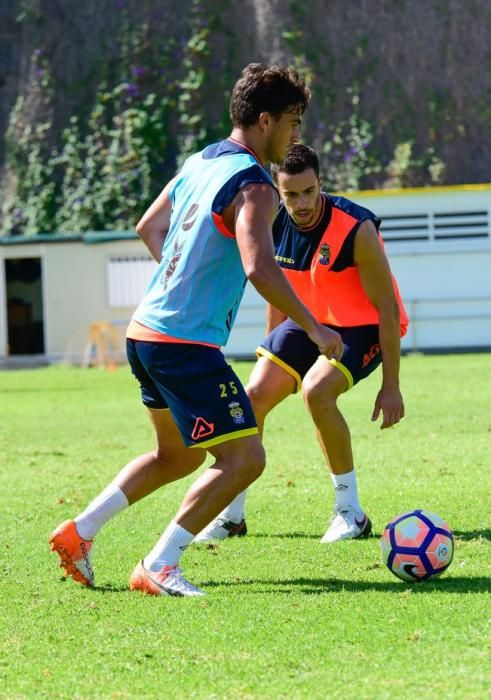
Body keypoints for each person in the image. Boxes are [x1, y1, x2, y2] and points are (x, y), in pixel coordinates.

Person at [49, 65, 344, 597]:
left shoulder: (202, 160)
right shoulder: (255, 184)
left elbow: (148, 226)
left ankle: (79, 532)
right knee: (245, 457)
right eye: (293, 123)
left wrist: (180, 280)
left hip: (146, 332)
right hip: (183, 344)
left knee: (179, 456)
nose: (297, 135)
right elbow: (260, 268)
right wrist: (316, 328)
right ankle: (160, 564)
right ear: (265, 119)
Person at [195, 143, 409, 545]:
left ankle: (350, 512)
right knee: (252, 396)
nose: (302, 202)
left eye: (308, 191)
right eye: (291, 194)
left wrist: (391, 385)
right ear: (279, 192)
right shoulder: (274, 223)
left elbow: (388, 308)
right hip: (310, 322)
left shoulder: (356, 227)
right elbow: (279, 290)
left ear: (320, 184)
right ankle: (232, 514)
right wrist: (273, 348)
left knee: (316, 392)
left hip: (363, 326)